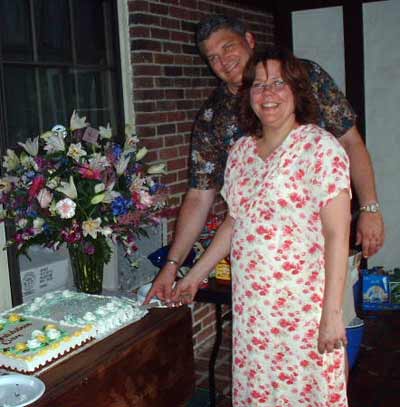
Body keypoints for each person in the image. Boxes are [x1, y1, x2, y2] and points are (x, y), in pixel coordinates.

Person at [145, 14, 384, 305]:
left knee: (331, 334)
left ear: (249, 40)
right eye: (213, 57)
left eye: (228, 47)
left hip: (317, 254)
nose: (223, 61)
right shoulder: (213, 118)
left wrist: (370, 206)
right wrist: (172, 266)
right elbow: (200, 197)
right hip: (257, 274)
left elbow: (350, 141)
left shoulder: (304, 79)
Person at [171, 47, 351, 406]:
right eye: (258, 85)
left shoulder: (321, 148)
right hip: (255, 307)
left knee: (309, 391)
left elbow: (337, 235)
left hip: (305, 306)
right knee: (260, 392)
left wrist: (331, 315)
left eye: (278, 83)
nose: (267, 93)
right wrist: (193, 276)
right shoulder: (240, 152)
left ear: (297, 91)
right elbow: (235, 221)